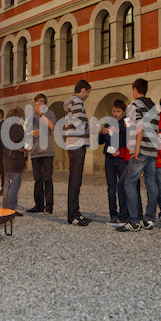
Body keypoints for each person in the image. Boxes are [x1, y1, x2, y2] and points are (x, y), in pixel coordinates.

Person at [117, 78, 160, 232]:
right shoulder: (154, 106)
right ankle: (149, 219)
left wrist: (136, 149)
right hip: (152, 149)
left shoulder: (135, 105)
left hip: (141, 150)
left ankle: (134, 221)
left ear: (135, 90)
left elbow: (140, 125)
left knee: (128, 183)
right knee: (151, 185)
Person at [64, 79, 93, 226]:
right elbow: (78, 121)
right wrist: (89, 127)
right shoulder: (77, 102)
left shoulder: (71, 102)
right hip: (77, 144)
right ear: (83, 90)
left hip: (73, 144)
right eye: (87, 92)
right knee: (75, 181)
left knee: (75, 181)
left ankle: (76, 212)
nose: (87, 96)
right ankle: (73, 215)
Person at [98, 99, 128, 224]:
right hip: (109, 159)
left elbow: (128, 137)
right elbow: (100, 141)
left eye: (118, 111)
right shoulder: (108, 123)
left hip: (121, 159)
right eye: (114, 111)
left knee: (122, 187)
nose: (116, 114)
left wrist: (119, 131)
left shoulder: (125, 123)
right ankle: (113, 214)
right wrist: (102, 132)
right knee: (111, 187)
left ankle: (124, 214)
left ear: (123, 111)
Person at [27, 94, 57, 214]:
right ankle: (38, 205)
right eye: (36, 102)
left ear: (45, 103)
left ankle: (49, 206)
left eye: (41, 102)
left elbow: (51, 125)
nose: (38, 104)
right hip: (35, 152)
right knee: (38, 180)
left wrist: (41, 114)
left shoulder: (49, 114)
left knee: (47, 179)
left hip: (47, 151)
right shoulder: (31, 116)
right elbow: (25, 131)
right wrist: (31, 133)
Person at [2, 106, 25, 216]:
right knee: (14, 186)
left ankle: (5, 207)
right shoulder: (19, 129)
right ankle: (11, 209)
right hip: (16, 160)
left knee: (7, 184)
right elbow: (20, 146)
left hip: (6, 159)